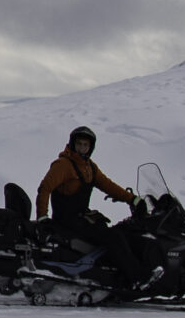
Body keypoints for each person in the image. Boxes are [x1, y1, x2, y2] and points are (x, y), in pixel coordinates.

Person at [35, 124, 146, 292]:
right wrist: (42, 217)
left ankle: (113, 275)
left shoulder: (89, 167)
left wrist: (132, 199)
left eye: (85, 145)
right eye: (79, 144)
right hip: (67, 221)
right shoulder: (63, 165)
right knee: (113, 237)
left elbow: (107, 185)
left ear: (91, 147)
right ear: (73, 144)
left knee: (119, 232)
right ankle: (137, 279)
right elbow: (45, 188)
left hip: (81, 217)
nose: (82, 148)